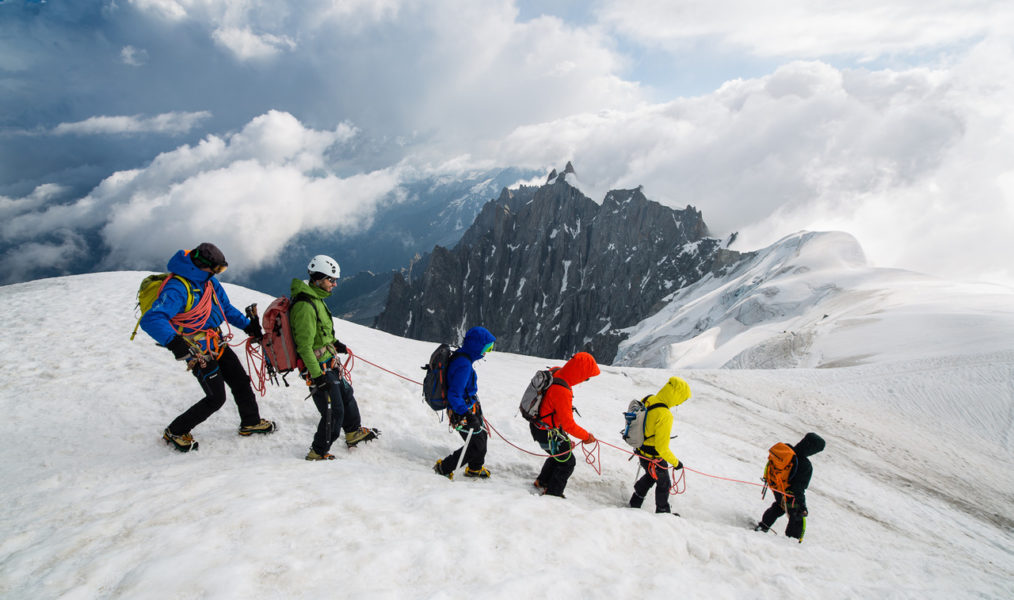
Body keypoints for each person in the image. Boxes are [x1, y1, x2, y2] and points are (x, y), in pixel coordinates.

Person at [140, 242, 275, 452]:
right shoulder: (178, 288)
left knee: (240, 381)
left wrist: (249, 326)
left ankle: (250, 422)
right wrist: (175, 343)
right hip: (197, 351)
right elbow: (152, 319)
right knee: (216, 397)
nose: (218, 273)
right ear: (201, 266)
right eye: (217, 269)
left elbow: (225, 309)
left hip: (216, 342)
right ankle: (175, 431)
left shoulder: (208, 283)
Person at [291, 254, 379, 461]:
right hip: (318, 368)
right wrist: (317, 376)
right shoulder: (305, 306)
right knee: (334, 410)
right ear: (318, 279)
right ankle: (318, 451)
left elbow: (320, 332)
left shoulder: (315, 298)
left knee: (347, 395)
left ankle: (353, 432)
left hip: (327, 362)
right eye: (331, 279)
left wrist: (334, 344)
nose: (335, 284)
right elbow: (304, 347)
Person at [529, 351, 600, 498]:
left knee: (560, 454)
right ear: (579, 373)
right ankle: (553, 494)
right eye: (586, 377)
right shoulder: (562, 390)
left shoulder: (555, 371)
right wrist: (586, 437)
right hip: (547, 431)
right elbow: (568, 424)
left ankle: (542, 481)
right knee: (567, 462)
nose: (585, 380)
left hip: (540, 426)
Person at [432, 326, 496, 480]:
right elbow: (454, 394)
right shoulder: (464, 365)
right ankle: (444, 467)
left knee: (481, 438)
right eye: (487, 347)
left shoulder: (462, 357)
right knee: (476, 445)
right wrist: (467, 414)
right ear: (477, 346)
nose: (487, 352)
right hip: (462, 411)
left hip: (468, 408)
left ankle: (475, 468)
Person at [628, 376, 692, 516]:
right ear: (676, 396)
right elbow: (662, 448)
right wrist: (676, 463)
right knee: (664, 483)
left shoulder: (649, 398)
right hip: (653, 456)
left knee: (651, 476)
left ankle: (635, 501)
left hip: (640, 449)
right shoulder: (665, 415)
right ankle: (663, 513)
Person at [755, 432, 826, 541]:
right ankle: (791, 542)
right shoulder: (805, 465)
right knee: (797, 515)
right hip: (789, 493)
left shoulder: (786, 449)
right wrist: (802, 505)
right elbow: (799, 488)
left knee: (779, 506)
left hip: (776, 486)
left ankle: (763, 526)